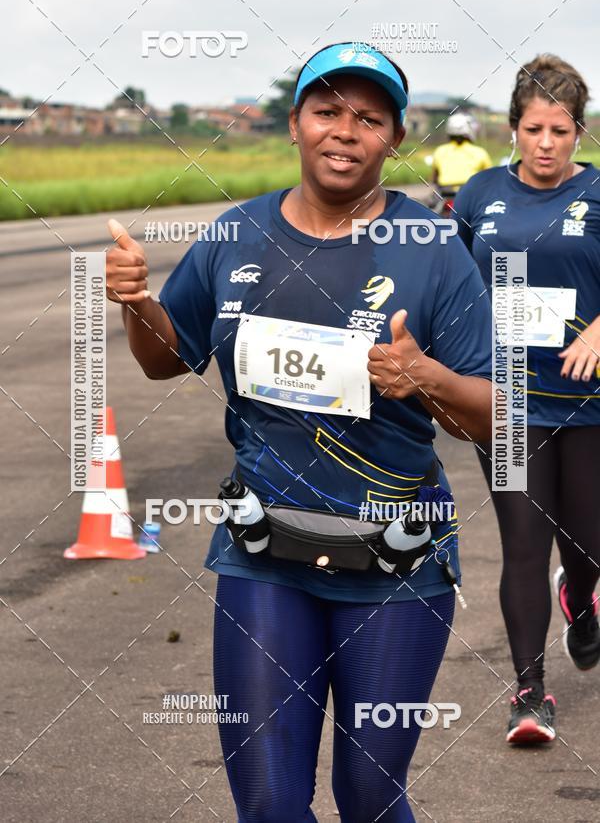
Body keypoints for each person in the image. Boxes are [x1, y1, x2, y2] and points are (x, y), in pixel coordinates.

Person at [106, 42, 493, 822]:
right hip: (264, 554)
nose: (345, 131)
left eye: (369, 118)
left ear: (395, 137)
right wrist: (139, 305)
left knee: (369, 794)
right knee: (269, 801)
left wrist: (429, 377)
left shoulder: (433, 251)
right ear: (295, 123)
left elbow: (495, 414)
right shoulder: (236, 234)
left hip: (394, 561)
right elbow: (166, 358)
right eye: (326, 111)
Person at [454, 54, 600, 746]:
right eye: (534, 129)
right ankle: (530, 694)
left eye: (561, 131)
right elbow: (449, 283)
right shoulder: (479, 194)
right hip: (509, 399)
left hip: (589, 400)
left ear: (580, 133)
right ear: (513, 127)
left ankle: (582, 594)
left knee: (588, 538)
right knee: (523, 543)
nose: (546, 144)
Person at [430, 112, 492, 215]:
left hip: (444, 195)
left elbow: (434, 178)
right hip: (471, 195)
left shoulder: (440, 150)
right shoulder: (480, 152)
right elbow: (489, 179)